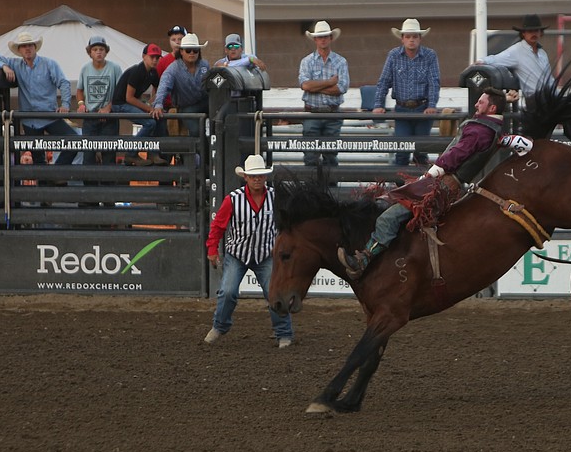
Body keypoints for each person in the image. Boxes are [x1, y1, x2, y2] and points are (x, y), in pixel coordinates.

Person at [338, 88, 533, 279]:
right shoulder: (494, 131)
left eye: (481, 102)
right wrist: (505, 101)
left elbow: (455, 156)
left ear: (491, 109)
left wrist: (430, 175)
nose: (476, 104)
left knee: (388, 217)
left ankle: (364, 259)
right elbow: (524, 144)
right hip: (450, 185)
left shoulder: (479, 130)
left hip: (441, 183)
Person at [204, 154, 294, 348]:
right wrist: (212, 248)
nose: (257, 179)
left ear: (265, 177)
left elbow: (287, 223)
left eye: (260, 176)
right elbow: (218, 226)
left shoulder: (276, 198)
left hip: (266, 254)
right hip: (238, 253)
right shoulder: (232, 200)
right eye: (253, 176)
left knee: (275, 293)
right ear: (245, 177)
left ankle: (284, 333)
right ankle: (220, 326)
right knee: (227, 291)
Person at [0, 31, 78, 165]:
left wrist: (65, 105)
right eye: (24, 46)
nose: (27, 48)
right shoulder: (15, 64)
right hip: (30, 119)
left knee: (74, 141)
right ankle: (48, 181)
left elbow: (63, 83)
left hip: (49, 115)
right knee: (37, 157)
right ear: (19, 50)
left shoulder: (48, 64)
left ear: (35, 47)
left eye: (30, 45)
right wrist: (5, 66)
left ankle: (56, 174)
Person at [372, 18, 441, 166]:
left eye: (415, 36)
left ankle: (421, 187)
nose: (411, 40)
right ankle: (400, 186)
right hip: (402, 109)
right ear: (402, 39)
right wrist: (378, 104)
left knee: (421, 152)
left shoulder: (430, 55)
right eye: (408, 37)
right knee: (401, 150)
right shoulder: (394, 55)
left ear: (420, 38)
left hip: (423, 108)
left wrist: (432, 104)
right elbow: (384, 81)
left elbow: (434, 82)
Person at [298, 20, 350, 167]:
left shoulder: (340, 61)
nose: (323, 39)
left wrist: (316, 86)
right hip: (312, 113)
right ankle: (311, 189)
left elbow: (341, 88)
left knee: (330, 155)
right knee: (310, 156)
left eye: (325, 36)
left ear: (331, 38)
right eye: (320, 37)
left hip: (332, 114)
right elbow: (305, 85)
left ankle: (331, 189)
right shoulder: (306, 61)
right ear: (315, 39)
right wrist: (329, 82)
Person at [477, 14, 554, 101]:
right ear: (523, 33)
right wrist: (481, 61)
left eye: (536, 31)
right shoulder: (516, 51)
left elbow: (549, 78)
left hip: (549, 97)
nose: (533, 34)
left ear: (541, 33)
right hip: (535, 100)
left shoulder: (542, 54)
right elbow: (496, 58)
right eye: (530, 31)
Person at [112, 43, 167, 165]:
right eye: (152, 57)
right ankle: (131, 154)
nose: (155, 60)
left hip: (131, 102)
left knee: (156, 118)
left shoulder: (153, 73)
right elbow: (129, 98)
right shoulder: (137, 71)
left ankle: (153, 153)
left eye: (157, 57)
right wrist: (148, 108)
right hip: (120, 104)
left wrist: (153, 103)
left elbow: (158, 89)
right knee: (150, 122)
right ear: (144, 56)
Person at [151, 32, 210, 140]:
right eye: (188, 50)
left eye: (195, 50)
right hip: (186, 107)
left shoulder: (205, 65)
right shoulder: (173, 69)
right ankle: (200, 154)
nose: (192, 53)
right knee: (197, 131)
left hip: (206, 102)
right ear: (182, 51)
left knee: (223, 121)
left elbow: (213, 83)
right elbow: (164, 86)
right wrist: (158, 104)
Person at [76, 35, 122, 167]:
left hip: (110, 117)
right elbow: (79, 90)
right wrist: (81, 104)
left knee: (109, 155)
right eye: (95, 49)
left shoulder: (115, 68)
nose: (98, 52)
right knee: (88, 155)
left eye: (101, 49)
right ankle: (89, 186)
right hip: (90, 117)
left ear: (106, 51)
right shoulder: (85, 69)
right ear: (90, 52)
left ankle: (108, 186)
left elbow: (120, 93)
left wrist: (109, 107)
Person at [155, 24, 187, 110]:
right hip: (168, 106)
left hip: (188, 104)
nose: (177, 42)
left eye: (180, 39)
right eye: (173, 39)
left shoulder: (192, 59)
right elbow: (157, 85)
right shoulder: (163, 61)